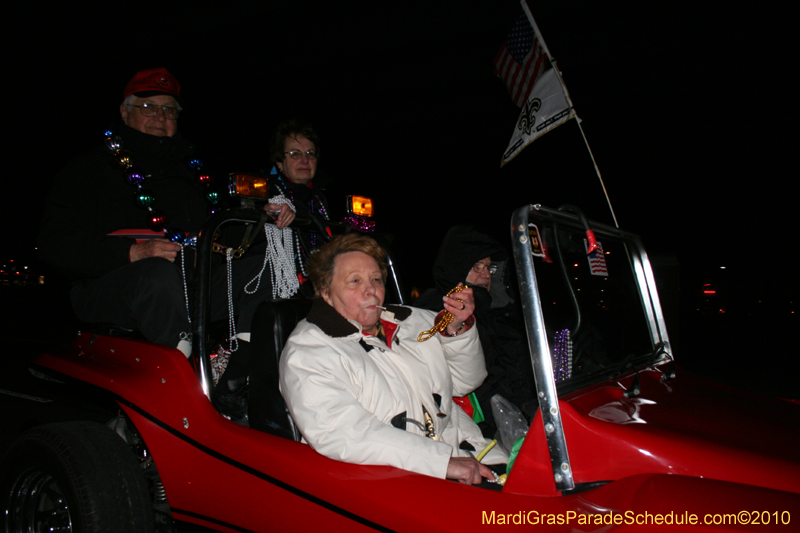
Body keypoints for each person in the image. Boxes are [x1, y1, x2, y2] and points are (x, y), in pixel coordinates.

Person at [37, 68, 290, 423]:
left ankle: (235, 377)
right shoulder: (86, 171)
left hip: (191, 282)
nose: (160, 116)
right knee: (156, 273)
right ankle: (180, 391)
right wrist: (132, 252)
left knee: (265, 267)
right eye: (148, 106)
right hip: (116, 284)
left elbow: (223, 236)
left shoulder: (193, 173)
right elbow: (53, 245)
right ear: (125, 112)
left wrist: (262, 216)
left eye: (169, 110)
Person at [279, 234, 507, 484]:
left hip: (467, 451)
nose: (371, 290)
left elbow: (467, 382)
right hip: (385, 476)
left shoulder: (413, 320)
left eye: (376, 279)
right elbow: (343, 432)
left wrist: (455, 330)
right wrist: (440, 462)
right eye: (354, 281)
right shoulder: (309, 349)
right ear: (325, 292)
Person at [414, 226, 536, 437]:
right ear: (458, 267)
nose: (487, 275)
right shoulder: (433, 312)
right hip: (478, 431)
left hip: (526, 417)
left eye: (489, 267)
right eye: (478, 266)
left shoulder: (501, 313)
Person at [268, 119, 331, 289]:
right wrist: (268, 211)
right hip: (281, 284)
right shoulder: (267, 193)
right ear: (280, 163)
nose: (305, 160)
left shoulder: (323, 199)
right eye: (295, 154)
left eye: (310, 153)